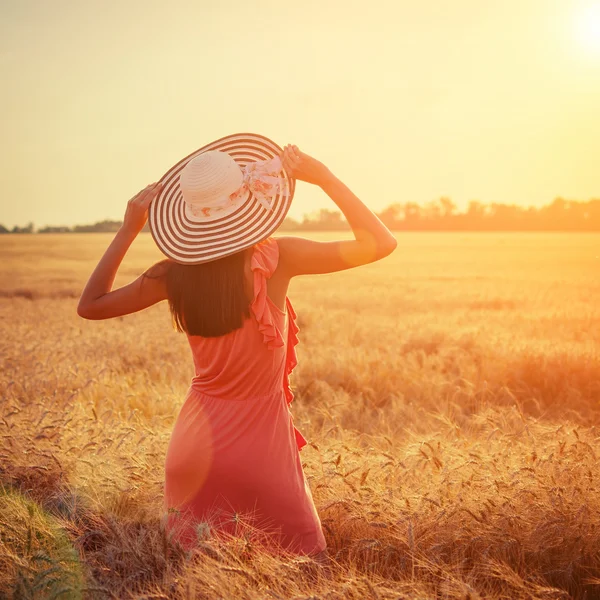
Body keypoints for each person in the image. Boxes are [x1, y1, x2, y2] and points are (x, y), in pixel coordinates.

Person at [77, 133, 397, 564]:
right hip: (260, 450)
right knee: (302, 571)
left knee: (198, 577)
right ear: (249, 206)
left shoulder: (172, 275)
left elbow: (90, 306)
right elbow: (380, 243)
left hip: (193, 448)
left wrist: (129, 228)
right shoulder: (277, 259)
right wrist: (323, 178)